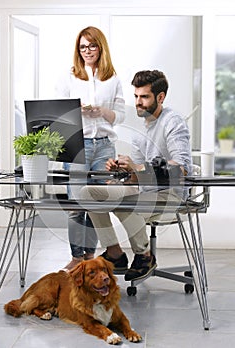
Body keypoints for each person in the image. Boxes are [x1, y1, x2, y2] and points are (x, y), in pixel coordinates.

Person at [80, 70, 192, 281]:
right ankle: (115, 254)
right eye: (136, 96)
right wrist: (122, 173)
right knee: (89, 192)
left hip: (171, 196)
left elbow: (182, 169)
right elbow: (139, 175)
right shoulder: (143, 129)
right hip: (146, 191)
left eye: (144, 97)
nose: (138, 102)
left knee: (125, 201)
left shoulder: (173, 122)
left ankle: (144, 256)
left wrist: (138, 168)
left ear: (160, 97)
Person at [56, 26, 125, 270]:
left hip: (104, 147)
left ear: (100, 47)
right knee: (76, 204)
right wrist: (79, 111)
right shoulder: (70, 76)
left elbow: (121, 116)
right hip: (77, 145)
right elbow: (60, 113)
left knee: (97, 203)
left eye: (92, 46)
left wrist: (101, 112)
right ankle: (77, 258)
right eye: (82, 47)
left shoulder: (112, 78)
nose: (87, 51)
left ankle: (90, 258)